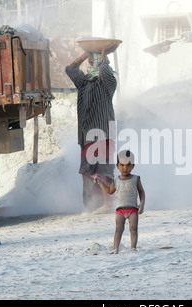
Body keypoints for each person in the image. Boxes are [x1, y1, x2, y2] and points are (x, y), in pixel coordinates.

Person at [65, 43, 119, 213]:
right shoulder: (84, 83)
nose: (89, 63)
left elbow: (104, 71)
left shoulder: (108, 84)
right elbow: (70, 69)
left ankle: (108, 204)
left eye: (92, 61)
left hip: (103, 133)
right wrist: (85, 53)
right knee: (88, 171)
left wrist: (102, 52)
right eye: (89, 61)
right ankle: (92, 205)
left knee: (103, 169)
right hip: (87, 135)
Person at [96, 150, 145, 253]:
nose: (125, 168)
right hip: (120, 210)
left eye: (128, 165)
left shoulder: (136, 179)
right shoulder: (116, 180)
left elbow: (141, 192)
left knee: (133, 229)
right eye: (122, 165)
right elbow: (110, 191)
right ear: (117, 166)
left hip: (133, 209)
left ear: (133, 166)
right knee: (118, 230)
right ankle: (115, 249)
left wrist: (142, 204)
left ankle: (133, 248)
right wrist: (101, 183)